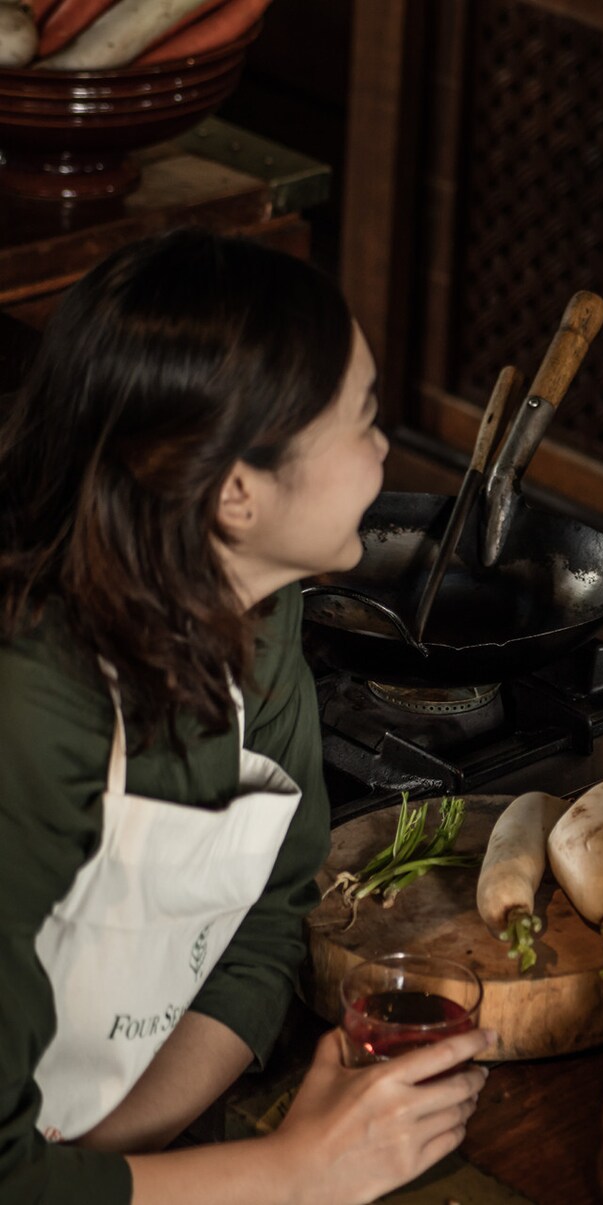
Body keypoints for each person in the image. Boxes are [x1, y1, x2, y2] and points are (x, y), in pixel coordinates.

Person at [0, 231, 491, 1204]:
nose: (385, 451)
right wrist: (296, 1172)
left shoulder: (255, 615)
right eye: (363, 419)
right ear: (236, 493)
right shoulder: (33, 717)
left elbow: (270, 915)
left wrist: (104, 1158)